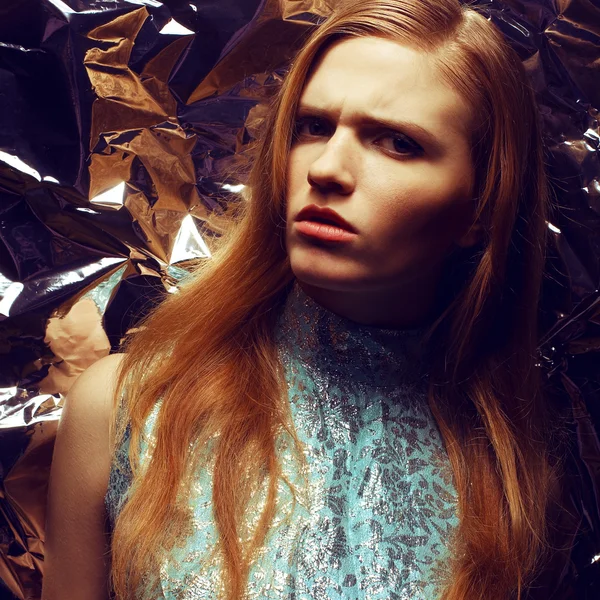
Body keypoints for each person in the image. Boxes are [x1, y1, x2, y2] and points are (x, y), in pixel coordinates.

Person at [42, 0, 568, 598]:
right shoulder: (126, 406)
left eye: (397, 142)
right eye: (313, 127)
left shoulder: (511, 473)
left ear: (479, 208)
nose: (328, 168)